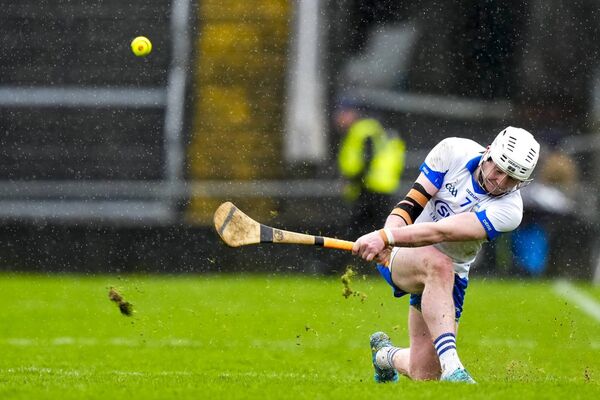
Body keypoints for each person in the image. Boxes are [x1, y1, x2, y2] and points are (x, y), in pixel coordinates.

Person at [351, 127, 540, 383]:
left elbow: (441, 232)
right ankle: (454, 368)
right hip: (403, 254)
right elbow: (409, 206)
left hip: (451, 274)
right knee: (439, 263)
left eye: (512, 180)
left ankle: (385, 356)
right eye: (498, 170)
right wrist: (387, 235)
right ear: (488, 153)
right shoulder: (452, 151)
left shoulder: (510, 211)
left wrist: (385, 238)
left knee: (424, 373)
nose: (500, 183)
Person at [337, 114, 406, 238]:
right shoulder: (378, 130)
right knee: (377, 227)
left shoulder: (363, 130)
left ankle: (355, 253)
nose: (338, 119)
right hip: (382, 187)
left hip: (370, 187)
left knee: (359, 228)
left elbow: (367, 158)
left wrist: (354, 181)